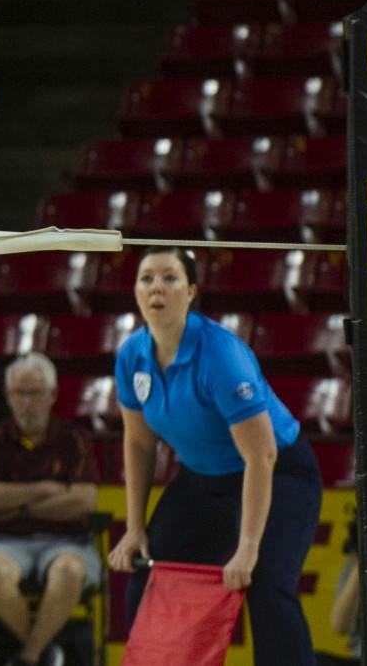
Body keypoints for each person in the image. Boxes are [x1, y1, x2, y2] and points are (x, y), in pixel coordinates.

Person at [108, 248, 322, 666]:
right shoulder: (132, 355)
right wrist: (135, 527)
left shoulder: (221, 356)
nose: (156, 288)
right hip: (202, 480)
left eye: (169, 278)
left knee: (267, 586)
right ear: (135, 291)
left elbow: (261, 455)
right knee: (147, 570)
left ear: (190, 292)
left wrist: (246, 547)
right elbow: (138, 443)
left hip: (279, 473)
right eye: (146, 278)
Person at [0, 353, 101, 666]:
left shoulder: (75, 439)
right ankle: (46, 653)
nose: (26, 402)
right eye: (19, 393)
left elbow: (83, 501)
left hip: (69, 542)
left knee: (68, 572)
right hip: (4, 541)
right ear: (8, 395)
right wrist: (42, 490)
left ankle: (29, 657)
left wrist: (16, 507)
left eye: (34, 393)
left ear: (52, 395)